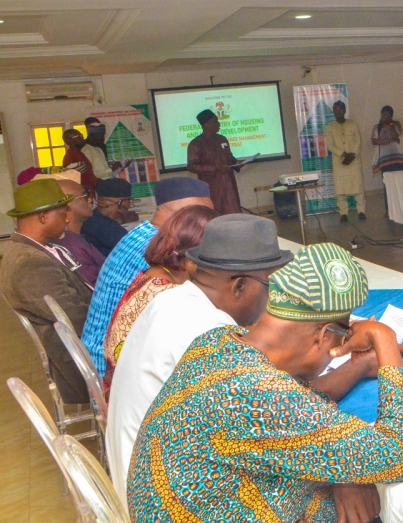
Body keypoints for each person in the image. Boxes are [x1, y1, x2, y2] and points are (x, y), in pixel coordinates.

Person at [127, 243, 403, 523]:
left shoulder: (216, 342)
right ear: (323, 335)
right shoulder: (260, 394)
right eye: (342, 339)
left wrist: (345, 470)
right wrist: (382, 336)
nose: (337, 350)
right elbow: (400, 455)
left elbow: (297, 410)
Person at [106, 214, 294, 500]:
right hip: (164, 499)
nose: (270, 299)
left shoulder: (169, 299)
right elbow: (281, 418)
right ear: (239, 286)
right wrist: (357, 366)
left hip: (142, 476)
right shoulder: (208, 332)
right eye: (269, 286)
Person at [81, 177, 213, 376]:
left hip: (105, 354)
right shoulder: (160, 247)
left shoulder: (144, 234)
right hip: (111, 368)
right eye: (206, 216)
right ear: (186, 214)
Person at [102, 205, 218, 394]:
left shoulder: (151, 277)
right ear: (194, 256)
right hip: (144, 403)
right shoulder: (169, 294)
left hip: (124, 393)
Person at [0, 179, 92, 404]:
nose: (68, 218)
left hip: (79, 349)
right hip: (80, 364)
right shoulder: (30, 264)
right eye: (63, 214)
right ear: (43, 217)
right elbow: (77, 320)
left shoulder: (23, 249)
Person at [187, 109, 242, 215]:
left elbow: (229, 157)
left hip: (229, 184)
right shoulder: (196, 143)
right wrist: (215, 168)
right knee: (215, 214)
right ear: (206, 124)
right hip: (212, 186)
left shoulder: (222, 139)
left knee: (234, 213)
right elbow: (192, 166)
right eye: (215, 121)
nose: (219, 124)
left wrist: (236, 163)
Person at [52, 178, 106, 287]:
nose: (90, 200)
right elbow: (94, 287)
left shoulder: (76, 238)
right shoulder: (69, 246)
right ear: (67, 205)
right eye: (84, 197)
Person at [325, 100, 366, 223]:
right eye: (336, 110)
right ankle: (343, 213)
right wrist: (343, 155)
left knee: (358, 186)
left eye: (341, 109)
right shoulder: (329, 127)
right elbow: (329, 145)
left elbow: (358, 141)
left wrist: (352, 155)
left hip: (354, 160)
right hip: (339, 162)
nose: (338, 112)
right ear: (333, 111)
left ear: (345, 111)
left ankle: (362, 211)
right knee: (340, 189)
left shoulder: (353, 124)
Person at [80, 177, 132, 257]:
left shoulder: (92, 219)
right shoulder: (108, 228)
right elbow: (135, 249)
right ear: (123, 203)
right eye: (129, 200)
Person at [370, 105, 403, 174]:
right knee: (387, 181)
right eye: (383, 115)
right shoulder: (377, 127)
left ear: (391, 116)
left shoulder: (396, 125)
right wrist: (387, 141)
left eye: (387, 116)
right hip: (384, 160)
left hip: (397, 158)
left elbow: (398, 139)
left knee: (398, 180)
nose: (384, 118)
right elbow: (374, 141)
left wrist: (391, 127)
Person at [61, 128, 97, 193]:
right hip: (83, 193)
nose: (82, 137)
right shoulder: (70, 157)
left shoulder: (80, 153)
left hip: (91, 190)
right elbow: (76, 180)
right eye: (78, 136)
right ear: (69, 141)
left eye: (81, 135)